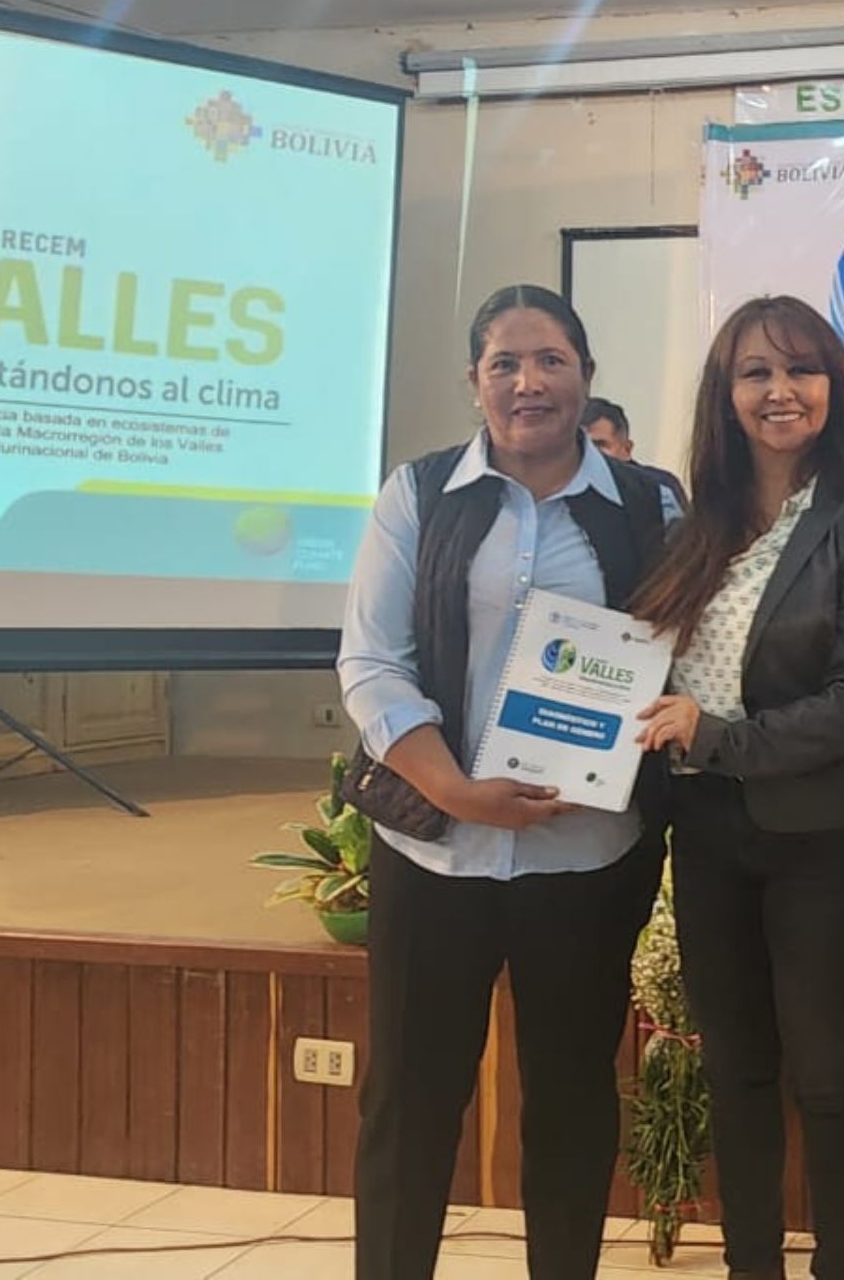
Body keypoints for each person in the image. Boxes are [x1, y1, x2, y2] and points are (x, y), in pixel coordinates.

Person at [339, 284, 681, 1280]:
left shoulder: (650, 505)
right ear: (475, 381)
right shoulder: (420, 494)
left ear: (586, 376)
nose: (528, 383)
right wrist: (456, 791)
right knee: (409, 1100)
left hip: (586, 857)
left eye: (550, 361)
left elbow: (685, 654)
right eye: (505, 363)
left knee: (572, 1100)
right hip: (433, 850)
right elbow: (372, 664)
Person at [627, 294, 844, 1280]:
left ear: (834, 388)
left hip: (825, 841)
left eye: (801, 369)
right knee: (736, 1073)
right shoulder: (693, 529)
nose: (779, 390)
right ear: (725, 393)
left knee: (829, 1078)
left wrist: (718, 737)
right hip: (708, 831)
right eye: (755, 372)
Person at [582, 395, 690, 512]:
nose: (589, 452)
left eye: (600, 445)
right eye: (579, 444)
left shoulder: (659, 493)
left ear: (626, 450)